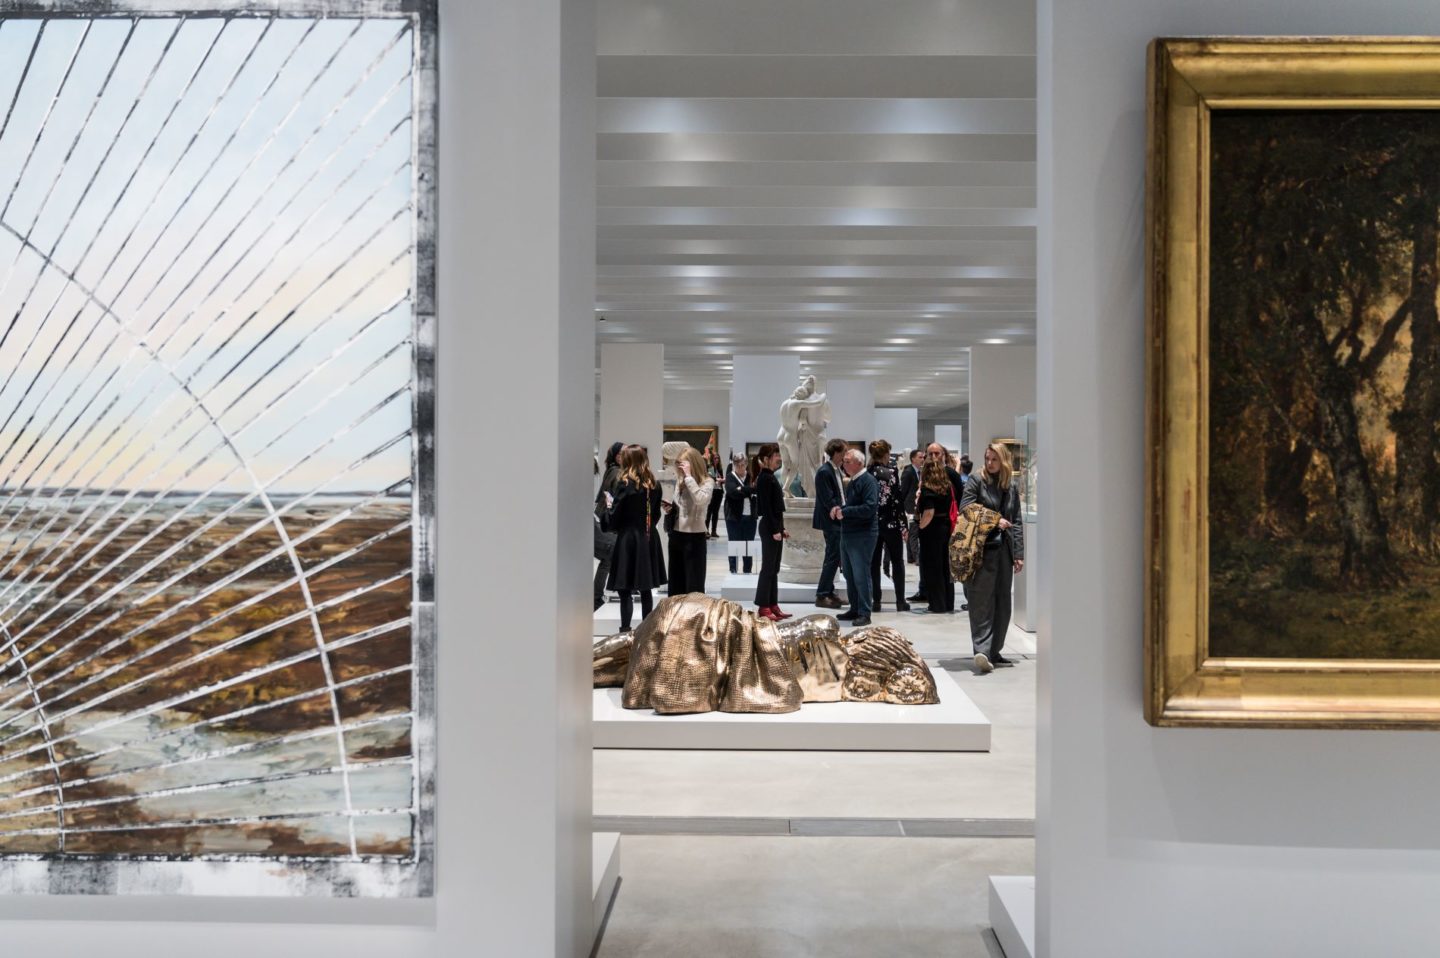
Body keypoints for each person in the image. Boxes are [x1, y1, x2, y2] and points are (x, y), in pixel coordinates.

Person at [960, 442, 1025, 673]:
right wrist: (994, 520)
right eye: (987, 458)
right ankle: (982, 650)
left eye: (994, 459)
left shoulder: (1010, 485)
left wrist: (1018, 553)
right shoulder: (976, 481)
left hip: (1004, 552)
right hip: (982, 551)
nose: (989, 463)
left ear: (1003, 460)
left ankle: (994, 651)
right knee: (981, 601)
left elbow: (1016, 520)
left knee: (1002, 604)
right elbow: (965, 509)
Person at [603, 445, 666, 631]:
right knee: (645, 588)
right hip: (648, 537)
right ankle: (647, 633)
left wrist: (608, 506)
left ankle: (625, 631)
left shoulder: (624, 483)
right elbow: (655, 516)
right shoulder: (654, 484)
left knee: (625, 590)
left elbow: (615, 516)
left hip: (629, 539)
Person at [831, 448, 878, 626]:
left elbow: (870, 507)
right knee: (850, 575)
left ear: (859, 463)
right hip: (849, 533)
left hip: (863, 535)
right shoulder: (853, 481)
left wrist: (845, 511)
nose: (844, 463)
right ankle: (855, 608)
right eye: (844, 461)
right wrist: (840, 509)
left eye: (847, 461)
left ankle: (865, 612)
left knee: (861, 574)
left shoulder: (868, 481)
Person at [867, 440, 909, 613]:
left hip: (873, 524)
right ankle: (900, 601)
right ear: (885, 454)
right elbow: (897, 500)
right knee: (897, 561)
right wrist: (903, 524)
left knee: (874, 563)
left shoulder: (867, 473)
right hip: (891, 523)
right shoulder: (891, 472)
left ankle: (876, 600)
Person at [666, 447, 714, 596]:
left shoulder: (707, 481)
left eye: (683, 465)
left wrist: (688, 477)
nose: (680, 469)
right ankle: (675, 617)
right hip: (676, 535)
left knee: (694, 584)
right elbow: (680, 506)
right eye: (679, 465)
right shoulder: (680, 481)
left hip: (695, 537)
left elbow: (700, 500)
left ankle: (693, 618)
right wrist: (669, 508)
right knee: (675, 584)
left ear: (693, 464)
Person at [911, 456, 956, 615]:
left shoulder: (927, 489)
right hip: (945, 528)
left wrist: (920, 527)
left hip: (932, 531)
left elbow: (929, 512)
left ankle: (937, 604)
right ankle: (947, 603)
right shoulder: (946, 486)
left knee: (933, 567)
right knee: (945, 567)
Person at [753, 443, 792, 621]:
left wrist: (781, 528)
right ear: (767, 458)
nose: (779, 457)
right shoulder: (764, 478)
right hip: (769, 527)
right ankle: (763, 606)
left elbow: (777, 508)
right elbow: (768, 508)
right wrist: (775, 529)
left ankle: (772, 604)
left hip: (774, 526)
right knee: (768, 569)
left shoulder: (770, 476)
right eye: (776, 454)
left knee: (774, 568)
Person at [811, 437, 849, 609]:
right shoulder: (825, 471)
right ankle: (822, 594)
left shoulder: (834, 469)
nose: (845, 455)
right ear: (836, 452)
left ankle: (829, 591)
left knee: (834, 556)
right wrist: (839, 510)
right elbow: (828, 499)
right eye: (843, 452)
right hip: (830, 520)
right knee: (832, 556)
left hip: (835, 519)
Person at [593, 441, 624, 610]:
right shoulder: (616, 472)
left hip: (604, 520)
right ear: (617, 456)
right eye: (624, 453)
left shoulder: (612, 471)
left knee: (609, 558)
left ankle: (597, 595)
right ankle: (600, 594)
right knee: (611, 554)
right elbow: (610, 499)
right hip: (606, 522)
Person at [723, 454, 759, 574]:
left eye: (742, 464)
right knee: (734, 543)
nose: (740, 467)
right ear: (734, 465)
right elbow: (732, 492)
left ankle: (747, 570)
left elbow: (756, 490)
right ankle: (733, 569)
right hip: (734, 517)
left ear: (746, 465)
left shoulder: (751, 476)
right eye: (737, 465)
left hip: (750, 517)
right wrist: (748, 490)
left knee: (748, 545)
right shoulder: (730, 477)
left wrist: (741, 489)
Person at [704, 447, 724, 538]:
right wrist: (718, 479)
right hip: (712, 491)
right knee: (709, 511)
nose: (717, 459)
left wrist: (722, 480)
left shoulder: (720, 469)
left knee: (715, 512)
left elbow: (721, 479)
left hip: (719, 491)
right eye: (715, 458)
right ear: (712, 459)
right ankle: (706, 530)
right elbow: (710, 477)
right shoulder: (710, 467)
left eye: (718, 458)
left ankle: (714, 531)